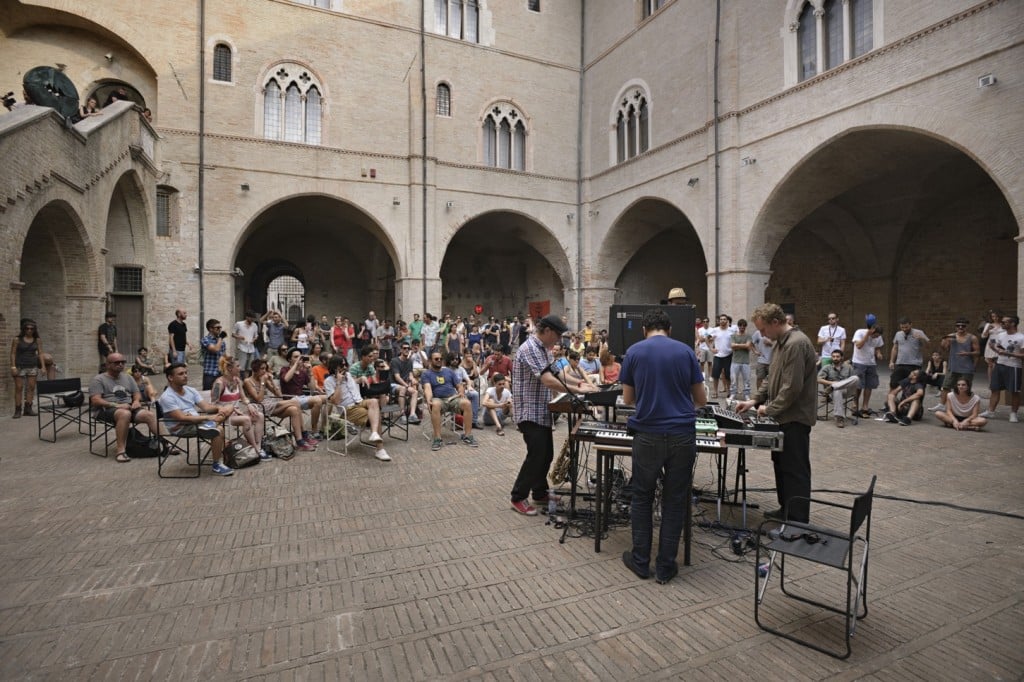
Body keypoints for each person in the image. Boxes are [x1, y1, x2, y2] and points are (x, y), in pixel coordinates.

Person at [618, 309, 706, 585]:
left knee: (642, 497)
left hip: (648, 434)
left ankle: (641, 561)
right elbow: (701, 399)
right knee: (675, 499)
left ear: (645, 328)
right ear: (669, 328)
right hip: (682, 434)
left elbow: (628, 399)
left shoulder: (634, 352)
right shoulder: (686, 351)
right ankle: (667, 566)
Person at [736, 303, 817, 523]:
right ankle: (786, 509)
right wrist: (754, 400)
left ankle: (797, 519)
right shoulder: (781, 343)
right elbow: (772, 378)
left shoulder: (795, 344)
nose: (761, 334)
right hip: (782, 417)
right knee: (781, 466)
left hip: (795, 418)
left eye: (763, 329)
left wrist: (768, 409)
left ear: (775, 322)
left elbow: (791, 388)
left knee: (795, 469)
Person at [510, 314, 598, 515]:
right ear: (547, 331)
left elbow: (559, 373)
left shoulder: (544, 350)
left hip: (540, 410)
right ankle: (518, 496)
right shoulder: (531, 348)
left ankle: (539, 492)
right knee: (536, 455)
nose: (558, 340)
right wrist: (577, 391)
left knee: (545, 454)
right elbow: (548, 380)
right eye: (557, 335)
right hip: (528, 411)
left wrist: (582, 384)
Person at [159, 363, 235, 475]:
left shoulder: (190, 390)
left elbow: (207, 407)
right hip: (181, 427)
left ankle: (210, 424)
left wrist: (220, 408)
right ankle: (217, 465)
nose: (185, 376)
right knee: (218, 430)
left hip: (197, 421)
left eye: (186, 373)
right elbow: (181, 418)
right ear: (170, 377)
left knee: (230, 407)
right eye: (181, 374)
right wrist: (207, 417)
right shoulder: (167, 397)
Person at [89, 353, 159, 463]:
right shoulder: (98, 379)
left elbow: (136, 394)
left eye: (123, 362)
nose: (120, 364)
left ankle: (166, 443)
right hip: (106, 409)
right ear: (107, 364)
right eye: (117, 362)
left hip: (129, 407)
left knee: (149, 415)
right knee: (124, 414)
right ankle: (121, 450)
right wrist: (116, 405)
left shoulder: (128, 377)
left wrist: (136, 401)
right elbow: (96, 400)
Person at [323, 356, 391, 461]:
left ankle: (373, 433)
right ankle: (380, 449)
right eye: (342, 365)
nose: (345, 367)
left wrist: (361, 378)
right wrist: (338, 383)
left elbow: (355, 381)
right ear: (334, 367)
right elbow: (335, 402)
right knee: (377, 417)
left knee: (374, 401)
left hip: (360, 402)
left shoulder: (349, 375)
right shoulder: (329, 381)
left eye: (346, 364)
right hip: (348, 409)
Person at [243, 359, 318, 452]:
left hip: (270, 405)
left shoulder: (264, 379)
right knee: (295, 402)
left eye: (265, 369)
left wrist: (272, 381)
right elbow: (259, 399)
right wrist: (263, 383)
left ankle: (299, 440)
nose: (264, 371)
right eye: (262, 369)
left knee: (294, 409)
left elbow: (278, 395)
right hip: (259, 407)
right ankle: (304, 435)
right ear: (255, 370)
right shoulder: (248, 381)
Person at [212, 356, 268, 460]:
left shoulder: (237, 380)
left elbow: (243, 397)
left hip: (237, 414)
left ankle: (259, 447)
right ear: (229, 368)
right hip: (225, 416)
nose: (240, 368)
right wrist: (231, 409)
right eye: (237, 366)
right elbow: (213, 404)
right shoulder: (219, 383)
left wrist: (249, 404)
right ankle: (255, 450)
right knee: (246, 419)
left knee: (259, 415)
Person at [420, 350, 477, 451]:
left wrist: (461, 391)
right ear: (430, 360)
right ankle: (437, 438)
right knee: (435, 404)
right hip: (438, 399)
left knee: (467, 403)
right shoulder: (427, 374)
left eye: (440, 359)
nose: (439, 360)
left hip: (452, 398)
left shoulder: (448, 371)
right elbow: (427, 388)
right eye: (436, 359)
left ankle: (468, 436)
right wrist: (429, 399)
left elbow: (459, 385)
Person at [980, 314, 1023, 423]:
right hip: (999, 364)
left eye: (1004, 322)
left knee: (1014, 391)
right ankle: (990, 411)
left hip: (1013, 366)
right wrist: (994, 349)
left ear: (1012, 324)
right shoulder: (1001, 335)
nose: (1002, 323)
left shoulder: (1021, 337)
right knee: (994, 388)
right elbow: (996, 347)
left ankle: (1013, 413)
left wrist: (1009, 353)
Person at [933, 317, 980, 412]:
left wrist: (967, 354)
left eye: (963, 326)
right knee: (946, 386)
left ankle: (964, 407)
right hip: (953, 367)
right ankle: (942, 404)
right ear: (956, 327)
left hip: (966, 368)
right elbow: (944, 348)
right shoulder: (952, 336)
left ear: (967, 327)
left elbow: (978, 352)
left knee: (964, 389)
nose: (960, 327)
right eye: (958, 326)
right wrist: (944, 341)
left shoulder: (972, 338)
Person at [280, 347, 326, 442]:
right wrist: (296, 365)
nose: (299, 359)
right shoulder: (284, 369)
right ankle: (314, 430)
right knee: (317, 400)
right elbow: (286, 379)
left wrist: (310, 371)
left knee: (327, 398)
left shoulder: (303, 372)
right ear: (289, 359)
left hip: (302, 398)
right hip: (290, 400)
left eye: (299, 357)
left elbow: (312, 389)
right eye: (296, 357)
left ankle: (323, 428)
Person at [851, 314, 885, 417]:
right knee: (858, 385)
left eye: (878, 336)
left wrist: (878, 353)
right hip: (859, 362)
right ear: (872, 332)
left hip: (871, 363)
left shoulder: (878, 337)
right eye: (875, 335)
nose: (876, 337)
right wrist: (867, 334)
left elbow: (877, 347)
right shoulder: (859, 332)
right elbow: (859, 345)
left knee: (869, 385)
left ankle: (865, 406)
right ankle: (855, 405)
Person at [10, 318, 45, 418]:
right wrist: (13, 366)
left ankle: (28, 409)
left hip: (32, 366)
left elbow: (41, 353)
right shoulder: (17, 339)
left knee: (31, 387)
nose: (29, 330)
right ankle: (17, 410)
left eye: (31, 329)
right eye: (27, 328)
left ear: (34, 330)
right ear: (23, 329)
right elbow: (12, 353)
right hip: (19, 366)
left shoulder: (37, 340)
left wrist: (43, 367)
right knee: (19, 388)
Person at [817, 349, 860, 427]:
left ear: (842, 357)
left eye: (837, 356)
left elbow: (852, 381)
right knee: (837, 390)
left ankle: (833, 387)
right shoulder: (827, 367)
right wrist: (832, 383)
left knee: (856, 378)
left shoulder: (848, 367)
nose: (835, 358)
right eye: (833, 356)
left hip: (847, 390)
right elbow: (818, 379)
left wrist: (834, 386)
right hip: (834, 392)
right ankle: (839, 418)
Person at [889, 317, 930, 388]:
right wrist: (891, 361)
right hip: (900, 363)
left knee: (912, 384)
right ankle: (891, 398)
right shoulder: (898, 334)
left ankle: (908, 398)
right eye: (902, 327)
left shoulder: (919, 332)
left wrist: (922, 338)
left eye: (906, 327)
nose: (904, 329)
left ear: (911, 324)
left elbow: (928, 345)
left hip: (914, 364)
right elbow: (895, 348)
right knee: (893, 382)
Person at [389, 342, 421, 423]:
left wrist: (413, 379)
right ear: (401, 349)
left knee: (415, 392)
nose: (406, 350)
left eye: (408, 348)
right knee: (403, 389)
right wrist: (407, 386)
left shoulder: (410, 361)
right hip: (393, 385)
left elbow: (410, 375)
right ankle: (402, 414)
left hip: (403, 385)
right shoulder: (394, 361)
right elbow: (397, 377)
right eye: (404, 348)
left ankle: (412, 415)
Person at [707, 314, 734, 399]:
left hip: (728, 355)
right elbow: (706, 339)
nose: (722, 320)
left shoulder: (731, 331)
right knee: (715, 375)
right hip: (718, 356)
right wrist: (711, 349)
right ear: (719, 321)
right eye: (721, 319)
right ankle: (715, 392)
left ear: (727, 321)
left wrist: (733, 349)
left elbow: (735, 340)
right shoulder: (715, 330)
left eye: (724, 319)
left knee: (728, 375)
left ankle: (729, 391)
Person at [200, 318, 228, 390]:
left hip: (220, 372)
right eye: (217, 328)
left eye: (220, 327)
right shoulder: (205, 339)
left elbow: (224, 355)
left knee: (219, 394)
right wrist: (220, 338)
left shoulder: (221, 341)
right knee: (208, 394)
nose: (219, 329)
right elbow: (215, 349)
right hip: (210, 372)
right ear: (210, 329)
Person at [729, 319, 752, 401]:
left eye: (744, 326)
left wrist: (737, 345)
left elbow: (748, 346)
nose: (742, 327)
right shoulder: (733, 336)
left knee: (747, 380)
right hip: (735, 361)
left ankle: (747, 395)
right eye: (740, 326)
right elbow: (732, 346)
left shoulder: (748, 336)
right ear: (738, 326)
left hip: (745, 361)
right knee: (734, 380)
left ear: (745, 327)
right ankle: (733, 394)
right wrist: (744, 345)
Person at [233, 310, 260, 376]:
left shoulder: (254, 325)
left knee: (250, 367)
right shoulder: (239, 324)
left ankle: (247, 380)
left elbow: (256, 335)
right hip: (242, 347)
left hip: (251, 348)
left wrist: (254, 339)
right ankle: (241, 379)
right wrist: (240, 337)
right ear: (247, 317)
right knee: (241, 366)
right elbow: (233, 334)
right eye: (251, 318)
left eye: (253, 318)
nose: (252, 319)